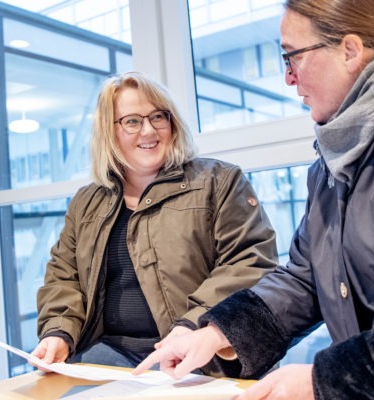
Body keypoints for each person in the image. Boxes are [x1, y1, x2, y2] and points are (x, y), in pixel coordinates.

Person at [133, 0, 374, 398]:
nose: (288, 79)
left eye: (292, 57)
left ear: (350, 50)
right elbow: (305, 278)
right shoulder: (331, 164)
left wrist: (322, 381)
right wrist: (218, 331)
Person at [30, 71, 278, 374]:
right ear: (109, 132)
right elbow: (63, 276)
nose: (148, 131)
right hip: (108, 355)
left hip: (197, 357)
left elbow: (249, 262)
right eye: (132, 121)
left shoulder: (219, 181)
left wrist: (194, 323)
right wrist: (59, 330)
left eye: (158, 117)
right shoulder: (86, 202)